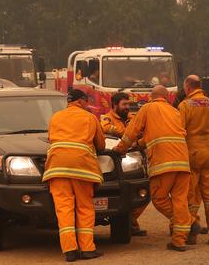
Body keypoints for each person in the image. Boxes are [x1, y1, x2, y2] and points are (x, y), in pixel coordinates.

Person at [113, 85, 197, 252]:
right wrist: (143, 143)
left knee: (159, 198)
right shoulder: (174, 111)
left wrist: (120, 149)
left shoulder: (148, 108)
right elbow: (163, 134)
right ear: (167, 98)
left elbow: (132, 131)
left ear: (152, 97)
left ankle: (189, 222)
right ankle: (179, 240)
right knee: (180, 201)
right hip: (182, 162)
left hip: (163, 163)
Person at [43, 89, 105, 261]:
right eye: (87, 101)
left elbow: (51, 139)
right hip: (81, 168)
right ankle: (87, 249)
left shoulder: (55, 117)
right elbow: (100, 144)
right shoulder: (89, 117)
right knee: (84, 208)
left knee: (64, 209)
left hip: (56, 167)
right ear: (82, 101)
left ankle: (69, 250)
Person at [178, 75, 209, 246]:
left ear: (188, 87)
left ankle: (192, 231)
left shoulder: (185, 105)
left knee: (190, 195)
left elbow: (179, 131)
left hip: (191, 154)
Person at [100, 92, 147, 237]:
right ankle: (130, 223)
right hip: (114, 164)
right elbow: (107, 129)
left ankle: (131, 221)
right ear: (114, 105)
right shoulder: (105, 118)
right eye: (124, 104)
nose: (127, 107)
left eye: (128, 104)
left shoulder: (133, 118)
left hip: (133, 161)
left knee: (143, 193)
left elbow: (143, 132)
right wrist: (130, 132)